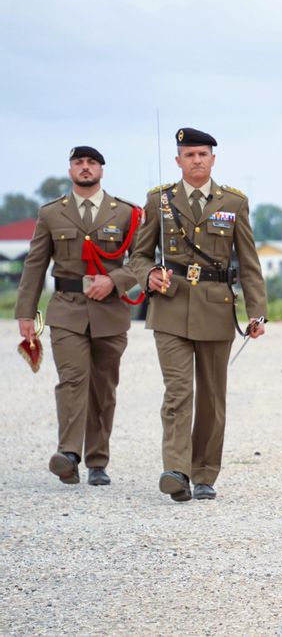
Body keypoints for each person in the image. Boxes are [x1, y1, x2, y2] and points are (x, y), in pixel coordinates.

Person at [129, 128, 267, 502]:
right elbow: (138, 256)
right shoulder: (159, 200)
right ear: (178, 160)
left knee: (211, 396)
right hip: (169, 306)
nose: (196, 160)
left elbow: (250, 264)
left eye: (203, 154)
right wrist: (148, 274)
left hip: (216, 309)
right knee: (178, 392)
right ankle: (176, 470)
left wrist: (258, 313)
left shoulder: (234, 203)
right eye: (189, 155)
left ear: (213, 159)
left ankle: (204, 473)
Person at [15, 146, 141, 486]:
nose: (85, 168)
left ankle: (98, 461)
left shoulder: (126, 213)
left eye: (91, 163)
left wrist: (114, 281)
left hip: (110, 312)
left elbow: (141, 260)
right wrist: (26, 312)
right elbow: (35, 264)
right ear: (70, 169)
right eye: (78, 163)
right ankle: (69, 453)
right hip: (67, 308)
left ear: (102, 169)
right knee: (72, 380)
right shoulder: (52, 213)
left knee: (103, 387)